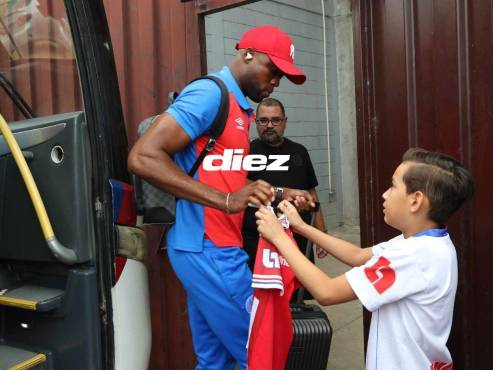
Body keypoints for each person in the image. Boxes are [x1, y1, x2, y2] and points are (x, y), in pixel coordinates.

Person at [128, 25, 314, 370]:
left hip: (205, 248)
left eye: (282, 76)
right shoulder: (210, 95)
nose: (276, 81)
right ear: (246, 54)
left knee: (216, 361)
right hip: (210, 249)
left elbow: (225, 175)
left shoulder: (240, 109)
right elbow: (143, 157)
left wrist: (278, 192)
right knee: (262, 355)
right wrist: (227, 201)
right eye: (272, 70)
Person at [256, 147, 474, 370]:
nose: (385, 194)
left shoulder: (415, 256)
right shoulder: (423, 242)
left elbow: (327, 291)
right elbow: (358, 255)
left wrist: (278, 236)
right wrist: (300, 226)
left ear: (416, 201)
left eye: (393, 186)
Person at [242, 98, 328, 301]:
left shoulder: (299, 151)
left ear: (285, 122)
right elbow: (238, 185)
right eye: (263, 121)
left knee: (296, 300)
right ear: (256, 123)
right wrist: (281, 191)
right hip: (256, 242)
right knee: (261, 300)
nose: (269, 125)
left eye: (275, 120)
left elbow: (311, 192)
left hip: (296, 240)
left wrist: (321, 233)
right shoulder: (245, 152)